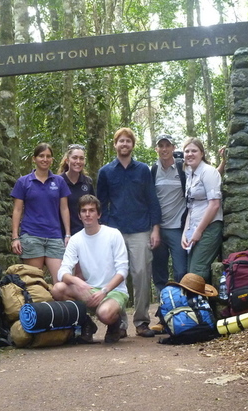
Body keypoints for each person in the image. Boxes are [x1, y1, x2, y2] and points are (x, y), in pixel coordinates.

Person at [96, 127, 162, 338]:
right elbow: (101, 204)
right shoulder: (106, 172)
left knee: (142, 274)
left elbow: (152, 200)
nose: (124, 144)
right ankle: (120, 324)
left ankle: (142, 321)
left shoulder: (142, 170)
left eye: (128, 141)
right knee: (116, 277)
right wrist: (104, 230)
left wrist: (155, 229)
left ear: (133, 145)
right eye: (120, 141)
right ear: (115, 144)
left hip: (140, 229)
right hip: (114, 231)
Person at [52, 195, 129, 344]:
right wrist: (76, 281)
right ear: (79, 215)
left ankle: (114, 324)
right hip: (89, 289)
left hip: (113, 290)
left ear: (98, 214)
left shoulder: (113, 234)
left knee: (105, 314)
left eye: (92, 211)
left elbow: (123, 271)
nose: (87, 214)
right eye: (84, 211)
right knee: (57, 289)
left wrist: (104, 291)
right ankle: (86, 322)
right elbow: (62, 272)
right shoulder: (75, 239)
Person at [10, 143, 72, 283]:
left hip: (55, 237)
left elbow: (64, 208)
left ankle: (58, 306)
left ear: (52, 159)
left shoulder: (59, 181)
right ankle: (37, 306)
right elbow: (17, 210)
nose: (45, 159)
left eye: (48, 156)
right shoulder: (23, 182)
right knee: (34, 283)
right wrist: (15, 237)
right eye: (41, 156)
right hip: (31, 236)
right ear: (34, 159)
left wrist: (67, 234)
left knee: (61, 283)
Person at [149, 134, 187, 333]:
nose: (164, 149)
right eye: (160, 146)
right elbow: (148, 199)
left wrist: (222, 164)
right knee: (160, 275)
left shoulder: (183, 168)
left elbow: (205, 177)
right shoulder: (152, 170)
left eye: (167, 145)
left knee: (181, 272)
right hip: (158, 230)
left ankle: (183, 315)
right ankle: (164, 316)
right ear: (156, 149)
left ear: (173, 147)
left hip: (178, 229)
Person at [181, 137, 224, 283]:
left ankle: (199, 305)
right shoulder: (190, 174)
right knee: (191, 270)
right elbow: (191, 207)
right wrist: (185, 233)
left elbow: (214, 205)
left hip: (209, 227)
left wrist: (199, 231)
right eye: (187, 151)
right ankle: (203, 304)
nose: (190, 154)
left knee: (197, 271)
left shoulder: (208, 171)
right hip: (194, 227)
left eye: (194, 150)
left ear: (202, 153)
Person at [57, 144, 95, 236]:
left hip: (84, 233)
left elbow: (93, 207)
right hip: (61, 234)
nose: (78, 161)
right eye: (75, 158)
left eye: (81, 158)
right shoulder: (57, 181)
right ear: (67, 160)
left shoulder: (87, 182)